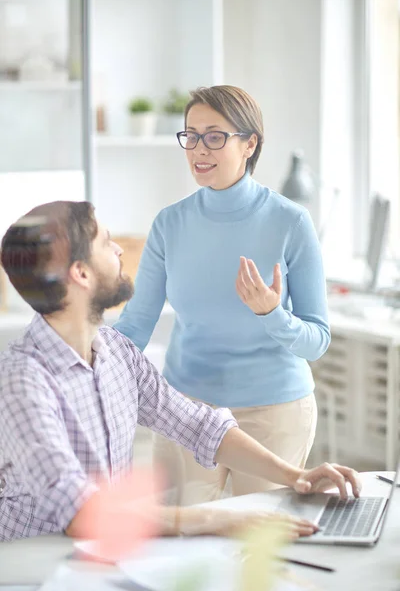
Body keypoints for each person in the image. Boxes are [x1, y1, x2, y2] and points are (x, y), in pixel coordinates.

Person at [0, 201, 359, 542]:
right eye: (106, 243)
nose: (120, 251)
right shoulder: (23, 380)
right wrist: (216, 519)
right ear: (80, 273)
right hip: (35, 557)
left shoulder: (115, 352)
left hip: (101, 546)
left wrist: (297, 477)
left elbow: (198, 425)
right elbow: (79, 513)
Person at [114, 85, 330, 503]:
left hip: (275, 411)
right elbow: (136, 325)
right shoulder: (169, 224)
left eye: (214, 136)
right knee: (180, 547)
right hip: (186, 411)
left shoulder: (291, 222)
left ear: (250, 144)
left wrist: (272, 314)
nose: (199, 148)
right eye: (190, 135)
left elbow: (317, 341)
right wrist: (80, 356)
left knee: (260, 548)